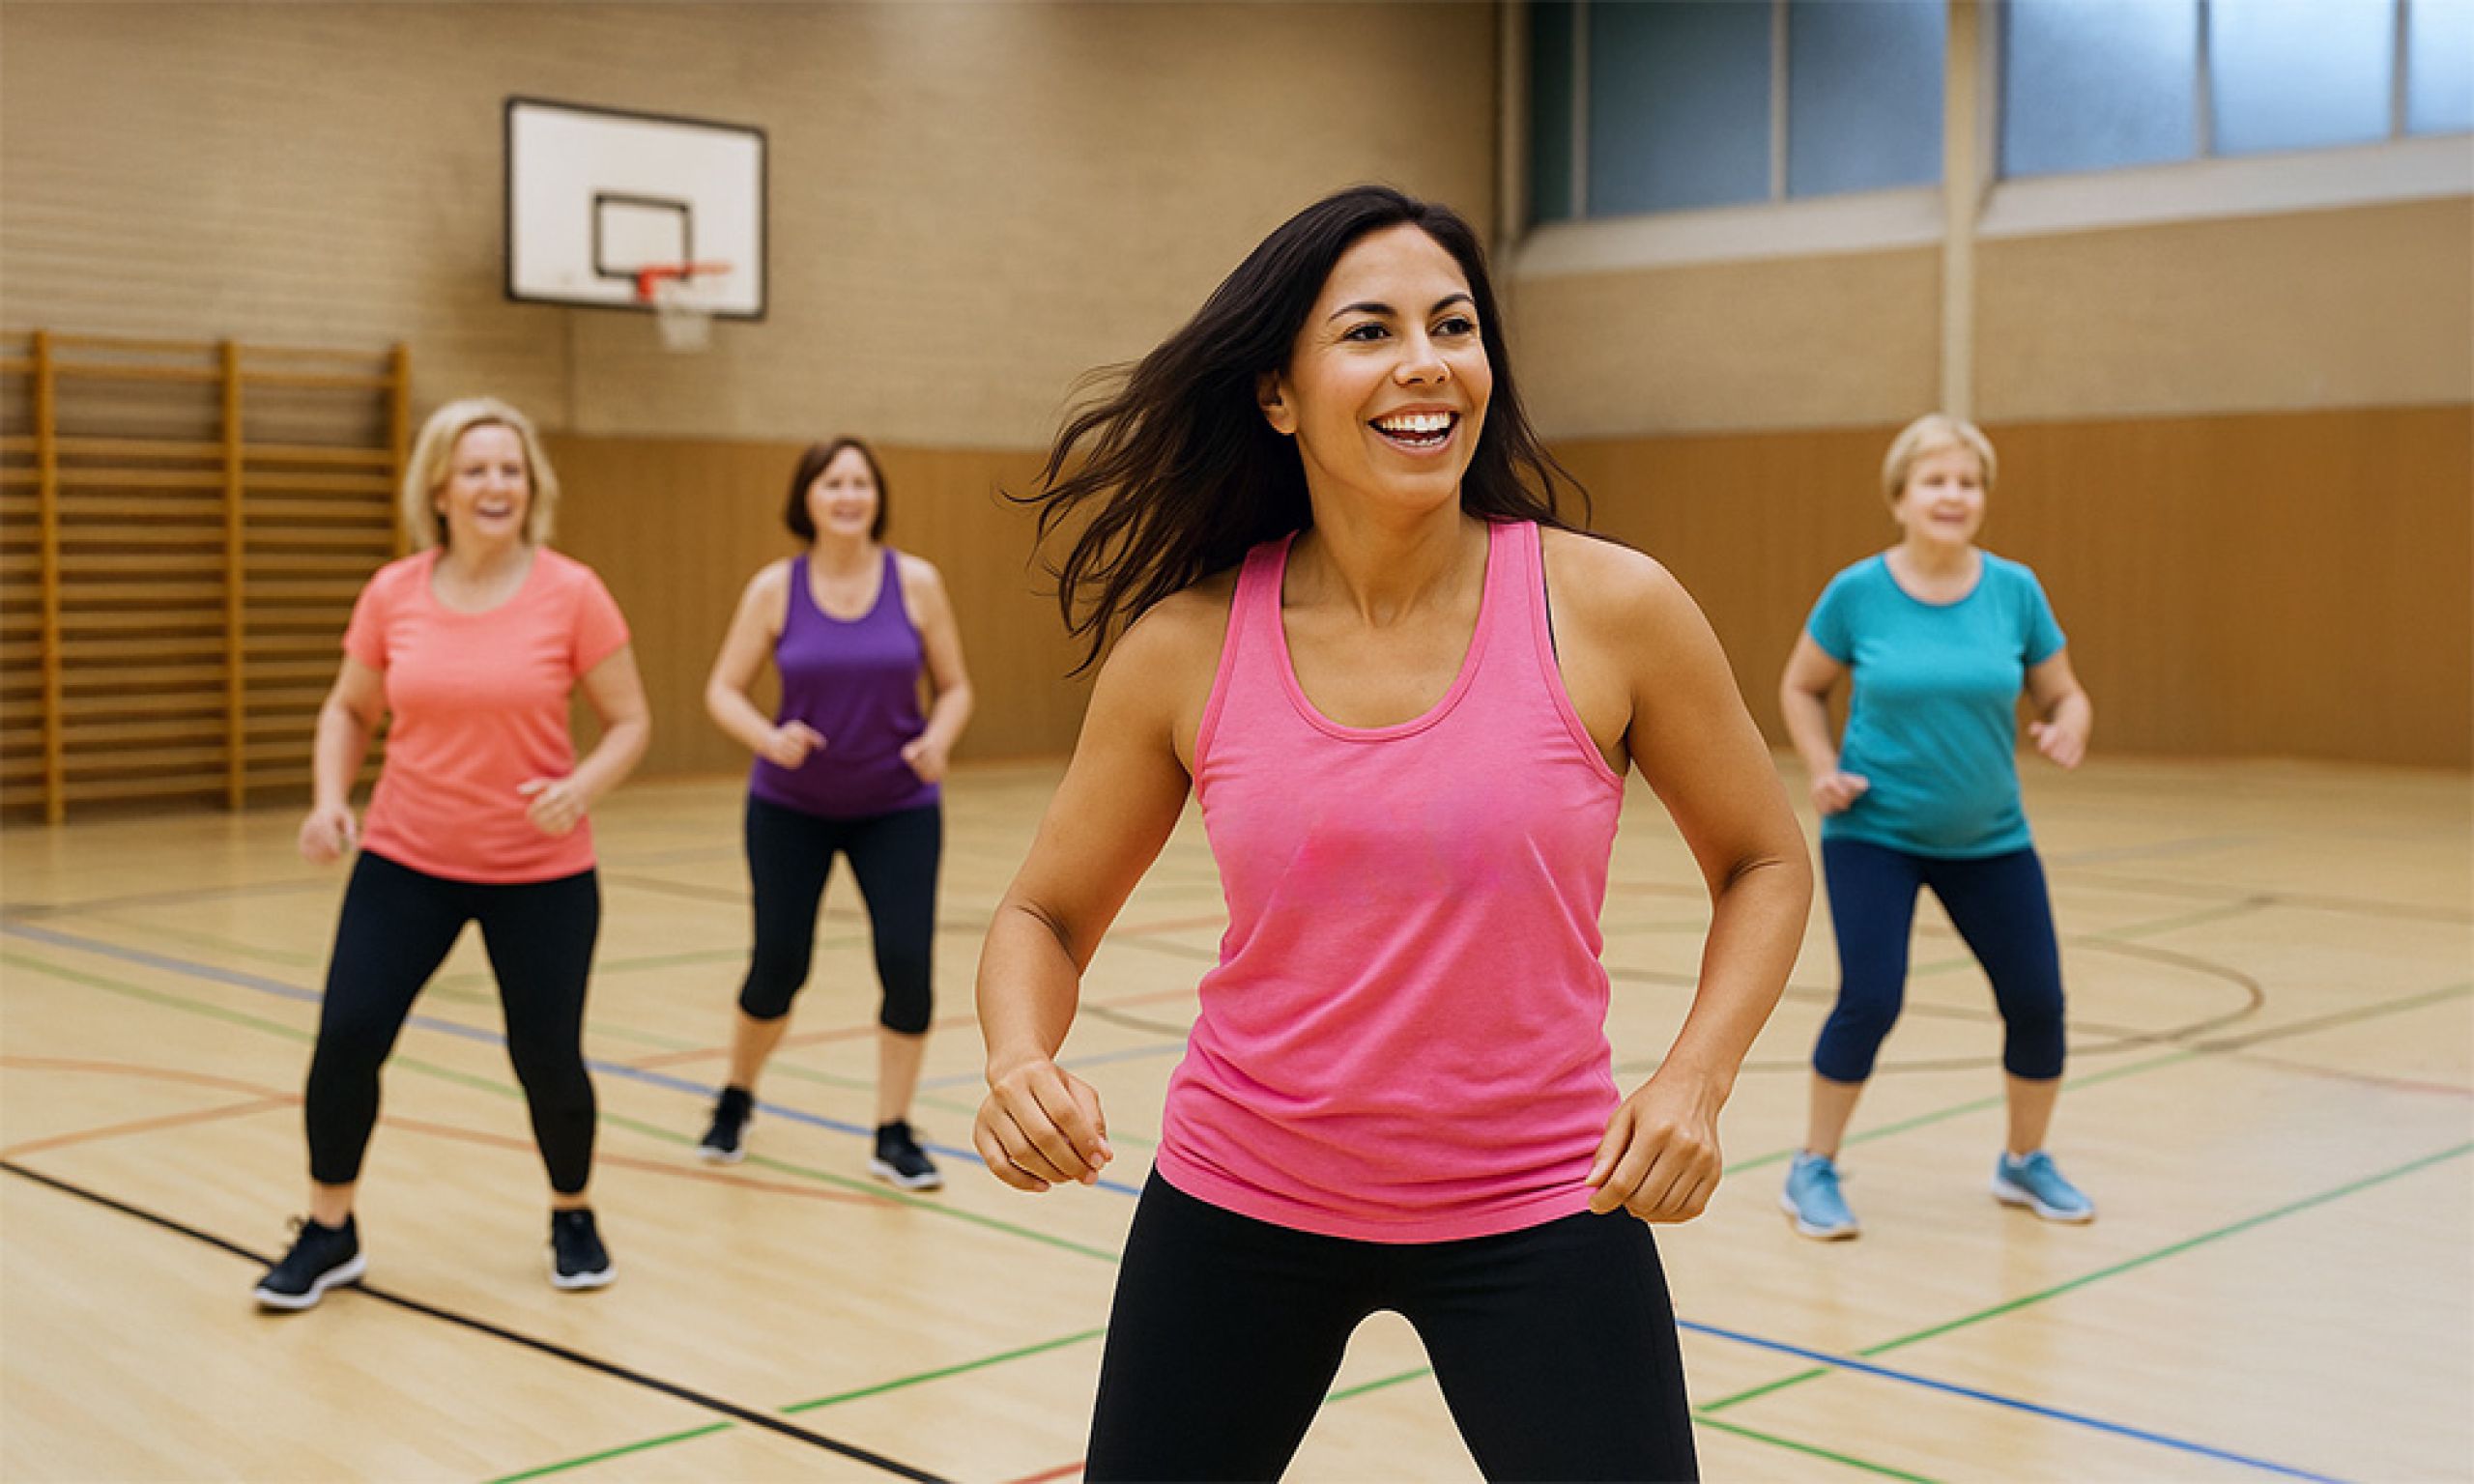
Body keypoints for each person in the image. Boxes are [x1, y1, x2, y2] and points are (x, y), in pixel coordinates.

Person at [970, 186, 1810, 1481]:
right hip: (1238, 1202)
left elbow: (1762, 859)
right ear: (1278, 394)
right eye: (1370, 331)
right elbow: (1046, 914)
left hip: (1541, 1203)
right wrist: (1021, 1057)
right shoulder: (1184, 648)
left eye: (1455, 326)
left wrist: (1695, 1077)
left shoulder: (1613, 608)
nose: (1426, 363)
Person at [254, 397, 650, 1310]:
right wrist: (328, 800)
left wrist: (581, 787)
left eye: (511, 469)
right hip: (406, 859)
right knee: (347, 1041)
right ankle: (328, 1230)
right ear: (439, 488)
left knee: (547, 1057)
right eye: (476, 469)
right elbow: (350, 708)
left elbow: (631, 721)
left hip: (541, 875)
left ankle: (572, 1213)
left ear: (532, 487)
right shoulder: (394, 593)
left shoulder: (573, 591)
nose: (495, 485)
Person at [1776, 413, 2097, 1241]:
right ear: (1902, 497)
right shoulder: (1857, 593)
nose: (1953, 495)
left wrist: (2070, 723)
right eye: (1936, 481)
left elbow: (2063, 691)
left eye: (1968, 482)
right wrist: (1819, 765)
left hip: (1990, 838)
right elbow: (1801, 687)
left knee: (2038, 1002)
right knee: (1871, 998)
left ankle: (2024, 1162)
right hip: (1873, 832)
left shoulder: (2015, 591)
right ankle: (1812, 1165)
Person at [694, 438, 973, 1190]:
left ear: (876, 496)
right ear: (807, 499)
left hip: (898, 806)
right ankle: (736, 1093)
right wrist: (767, 737)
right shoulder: (774, 589)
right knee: (778, 966)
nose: (848, 495)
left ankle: (892, 1129)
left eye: (860, 482)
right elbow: (722, 689)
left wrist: (939, 739)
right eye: (832, 483)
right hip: (792, 808)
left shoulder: (915, 583)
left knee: (907, 968)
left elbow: (953, 687)